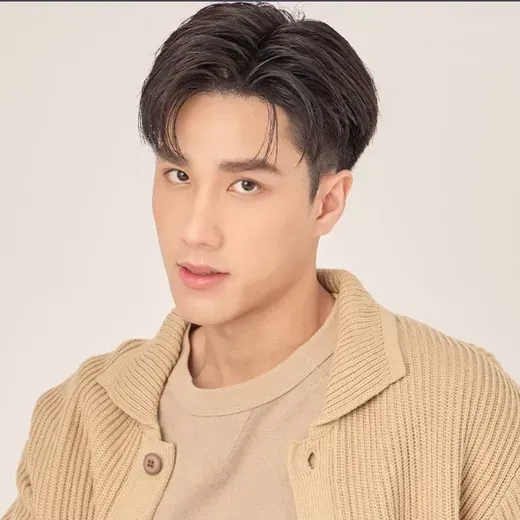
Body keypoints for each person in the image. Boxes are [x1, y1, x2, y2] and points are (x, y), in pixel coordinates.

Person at [3, 2, 519, 519]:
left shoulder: (461, 403)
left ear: (327, 203)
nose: (195, 230)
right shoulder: (81, 416)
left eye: (246, 185)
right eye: (179, 175)